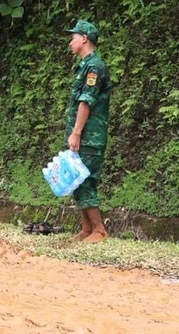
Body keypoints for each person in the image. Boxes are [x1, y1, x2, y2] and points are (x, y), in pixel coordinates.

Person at [64, 19, 112, 243]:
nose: (70, 41)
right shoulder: (84, 66)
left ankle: (99, 230)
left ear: (84, 38)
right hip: (82, 133)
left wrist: (77, 132)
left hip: (90, 134)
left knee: (86, 179)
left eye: (73, 37)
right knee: (76, 177)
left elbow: (86, 102)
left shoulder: (94, 67)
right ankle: (86, 229)